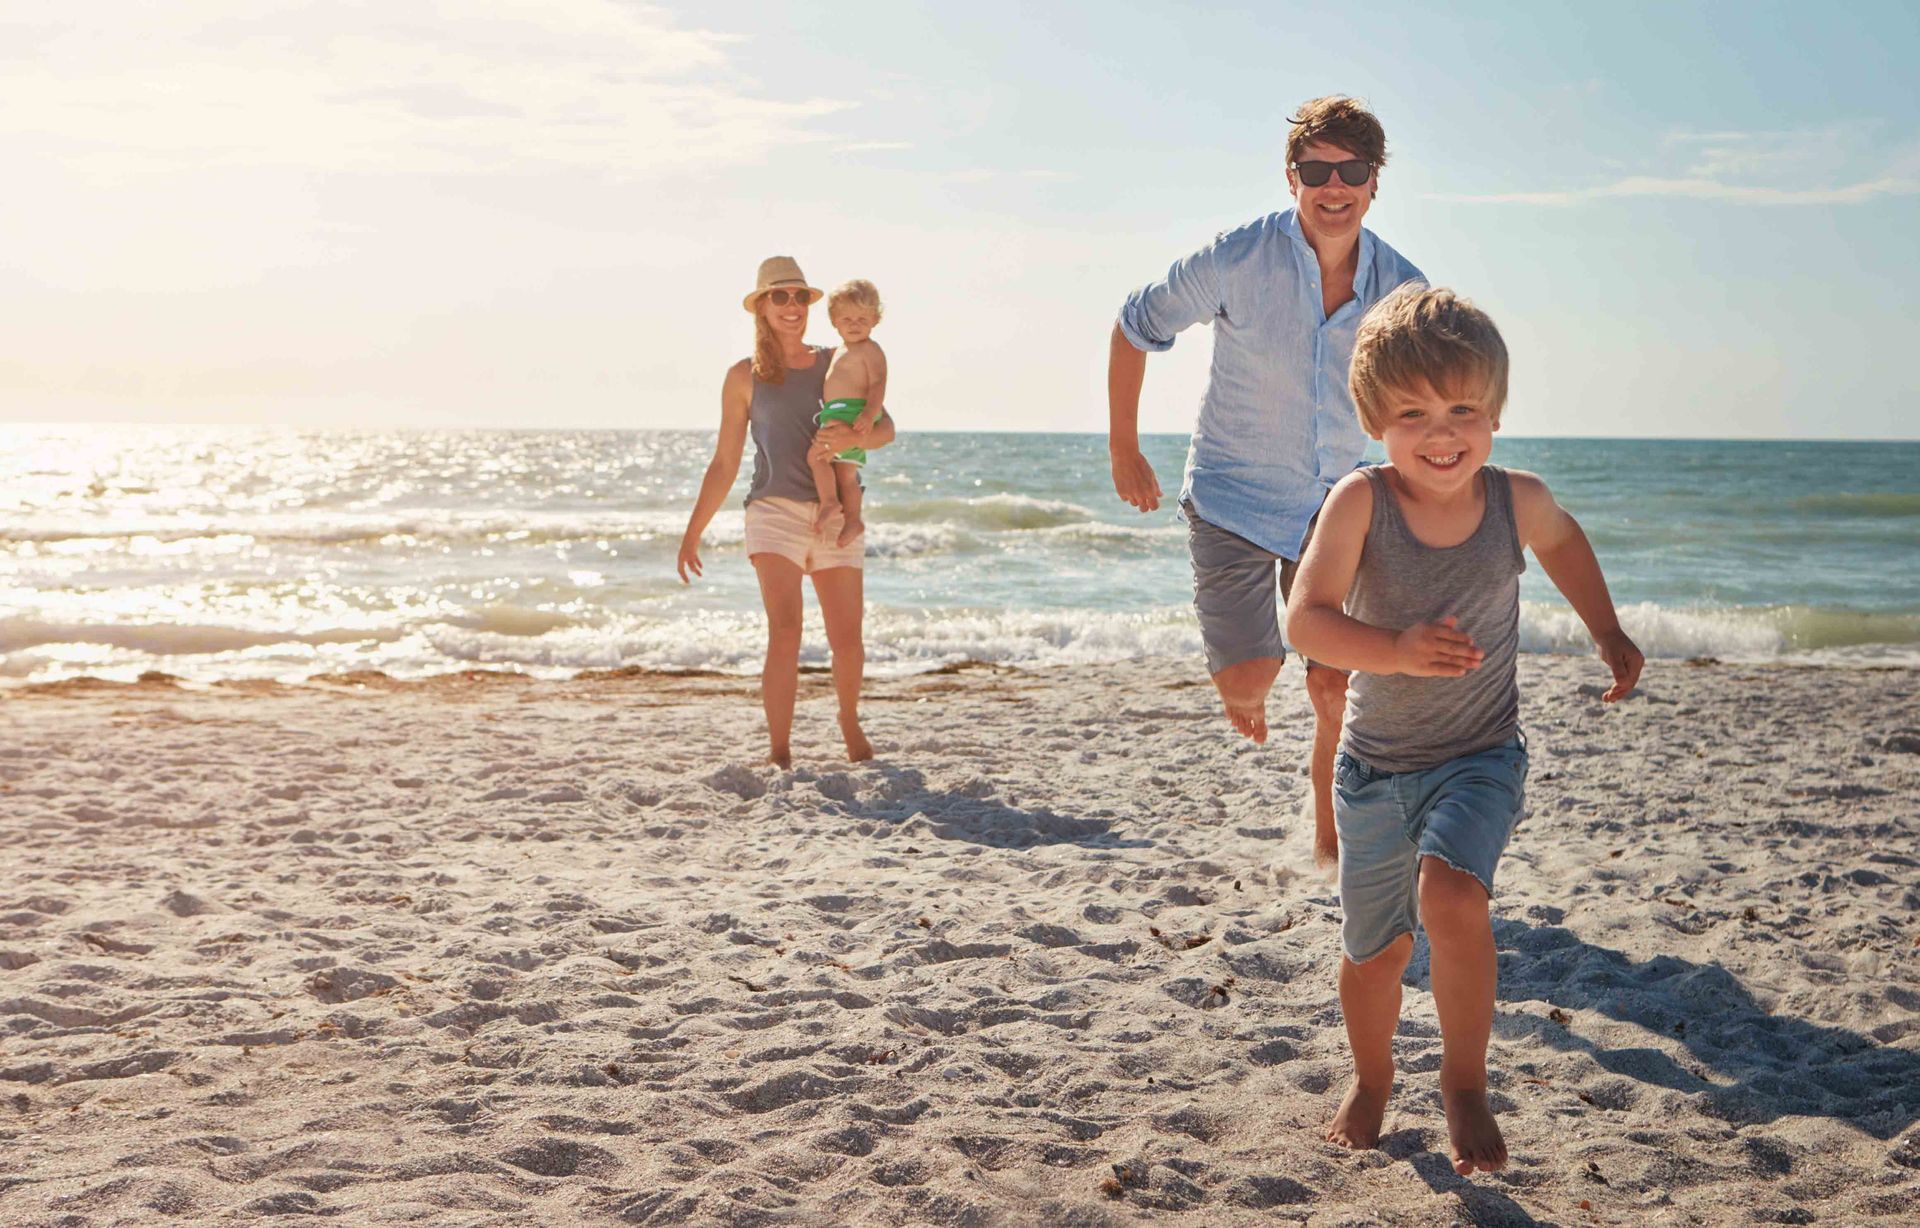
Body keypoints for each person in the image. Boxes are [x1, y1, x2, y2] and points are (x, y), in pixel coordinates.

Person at [1286, 284, 1644, 1175]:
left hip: (1480, 756)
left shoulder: (1515, 498)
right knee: (1376, 953)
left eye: (1463, 410)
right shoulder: (1358, 503)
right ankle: (1372, 1080)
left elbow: (1563, 543)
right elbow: (1306, 621)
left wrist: (1605, 630)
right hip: (1373, 770)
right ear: (1375, 420)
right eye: (1412, 414)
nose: (1441, 434)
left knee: (1453, 901)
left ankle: (1463, 1080)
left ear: (1494, 413)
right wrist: (1394, 651)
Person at [1106, 95, 1425, 867]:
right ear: (1293, 177)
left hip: (1337, 505)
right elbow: (1133, 326)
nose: (1334, 184)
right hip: (1231, 498)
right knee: (1252, 681)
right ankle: (1243, 686)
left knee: (1335, 690)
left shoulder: (1406, 291)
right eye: (1317, 169)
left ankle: (1329, 847)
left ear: (1375, 181)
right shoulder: (1234, 258)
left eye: (1352, 169)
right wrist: (1125, 449)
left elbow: (1430, 399)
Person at [676, 256, 894, 769]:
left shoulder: (836, 359)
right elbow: (725, 461)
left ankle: (847, 718)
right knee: (786, 630)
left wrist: (855, 434)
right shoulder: (743, 376)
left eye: (799, 297)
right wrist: (693, 533)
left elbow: (886, 429)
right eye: (780, 297)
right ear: (761, 307)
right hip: (773, 510)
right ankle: (779, 749)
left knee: (847, 634)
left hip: (835, 510)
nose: (792, 306)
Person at [810, 279, 889, 547]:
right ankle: (853, 520)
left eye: (862, 318)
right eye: (847, 319)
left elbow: (878, 383)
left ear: (875, 319)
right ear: (834, 321)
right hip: (841, 412)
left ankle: (830, 503)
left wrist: (869, 413)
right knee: (845, 474)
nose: (854, 324)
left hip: (851, 413)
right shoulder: (841, 350)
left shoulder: (870, 349)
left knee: (816, 456)